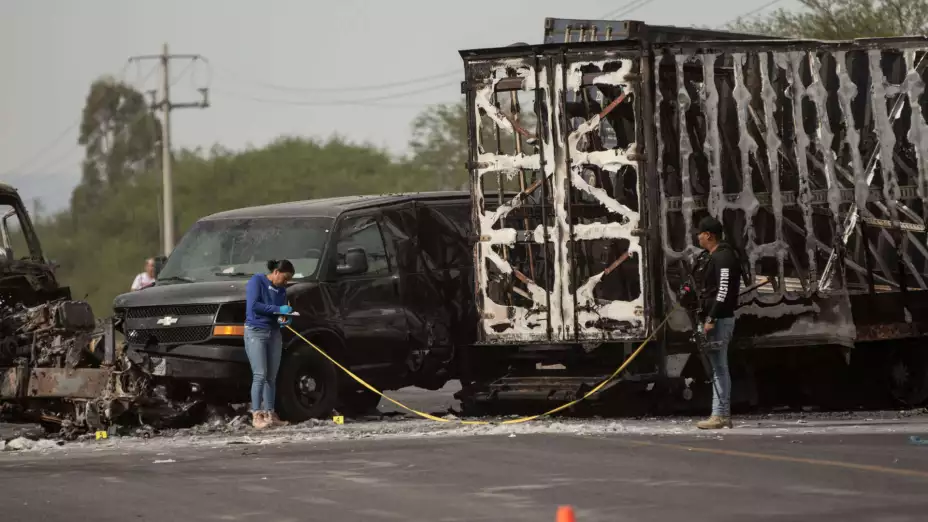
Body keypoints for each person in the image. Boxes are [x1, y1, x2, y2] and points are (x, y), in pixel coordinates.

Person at [693, 216, 741, 430]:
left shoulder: (724, 257)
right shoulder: (710, 257)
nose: (698, 237)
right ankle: (719, 413)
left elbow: (723, 291)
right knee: (716, 367)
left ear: (708, 235)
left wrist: (711, 318)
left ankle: (720, 415)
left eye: (700, 233)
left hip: (719, 320)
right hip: (711, 317)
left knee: (719, 368)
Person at [245, 259, 295, 429]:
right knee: (260, 374)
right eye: (285, 278)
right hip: (256, 331)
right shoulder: (257, 281)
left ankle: (270, 413)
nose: (286, 282)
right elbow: (255, 306)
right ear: (276, 272)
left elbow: (280, 310)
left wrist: (284, 319)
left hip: (274, 333)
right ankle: (256, 414)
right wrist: (277, 310)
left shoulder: (281, 290)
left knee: (271, 376)